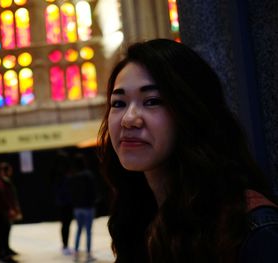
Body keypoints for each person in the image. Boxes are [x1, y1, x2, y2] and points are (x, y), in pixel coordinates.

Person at [98, 38, 278, 263]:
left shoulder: (250, 228)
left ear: (190, 110)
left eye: (152, 101)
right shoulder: (138, 217)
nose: (128, 119)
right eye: (118, 103)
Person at [0, 162, 21, 263]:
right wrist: (8, 209)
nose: (2, 172)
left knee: (5, 232)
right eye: (0, 170)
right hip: (0, 213)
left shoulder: (2, 182)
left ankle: (6, 250)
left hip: (5, 212)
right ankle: (2, 253)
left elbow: (9, 196)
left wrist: (13, 208)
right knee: (2, 233)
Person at [70, 153, 97, 262]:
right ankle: (89, 254)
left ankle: (76, 252)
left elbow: (71, 192)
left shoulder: (73, 176)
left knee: (79, 230)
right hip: (88, 207)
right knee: (88, 231)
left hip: (77, 208)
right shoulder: (89, 175)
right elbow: (93, 191)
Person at [54, 151, 74, 256]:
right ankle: (65, 245)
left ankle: (65, 245)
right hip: (65, 202)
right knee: (66, 225)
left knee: (65, 225)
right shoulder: (62, 174)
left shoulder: (62, 173)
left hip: (64, 202)